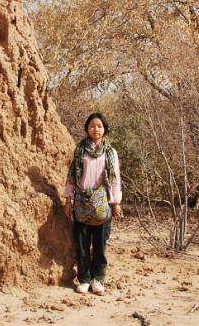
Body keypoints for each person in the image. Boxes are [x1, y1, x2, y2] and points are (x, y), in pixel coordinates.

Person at [63, 112, 122, 295]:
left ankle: (98, 279)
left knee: (100, 243)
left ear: (104, 129)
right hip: (81, 202)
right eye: (92, 126)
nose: (95, 129)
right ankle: (84, 279)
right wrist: (68, 200)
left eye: (99, 126)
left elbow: (115, 179)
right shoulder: (79, 150)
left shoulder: (111, 153)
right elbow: (72, 176)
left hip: (103, 203)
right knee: (82, 242)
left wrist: (115, 203)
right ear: (87, 128)